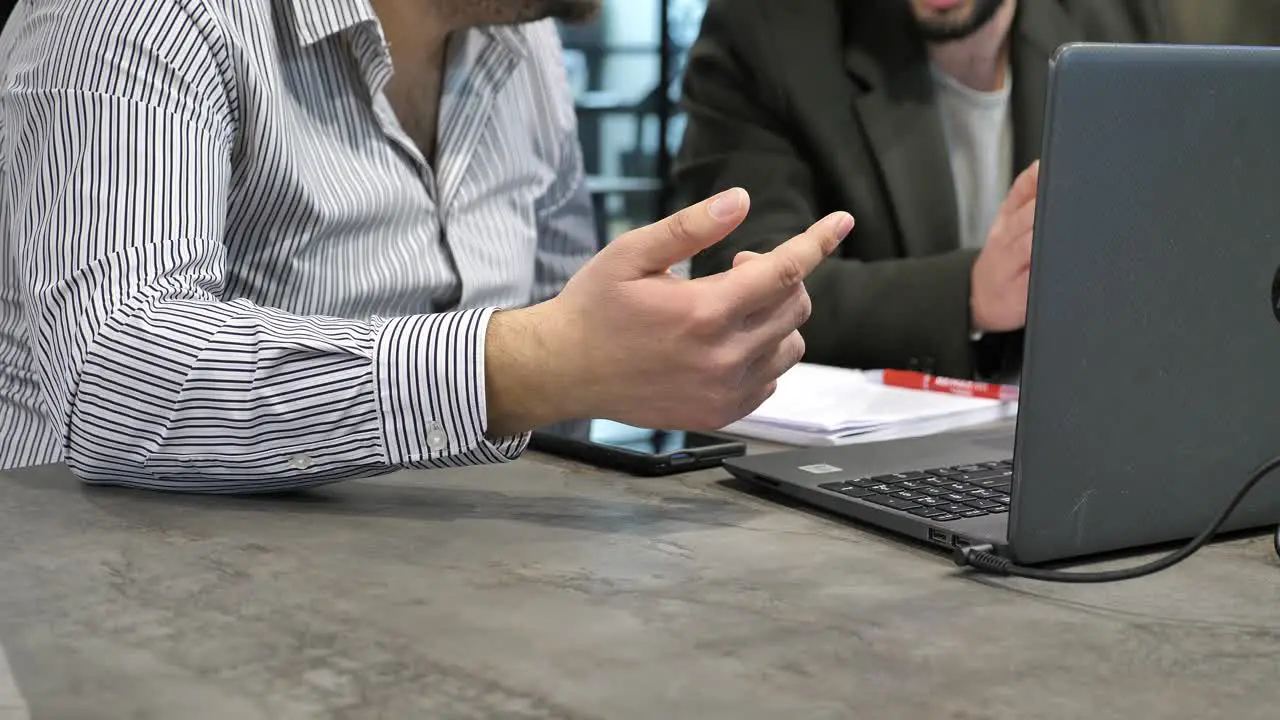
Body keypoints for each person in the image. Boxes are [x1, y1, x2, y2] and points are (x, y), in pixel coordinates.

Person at [0, 0, 852, 491]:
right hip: (116, 608)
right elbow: (115, 377)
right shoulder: (136, 17)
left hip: (437, 580)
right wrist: (527, 363)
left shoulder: (522, 37)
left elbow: (569, 320)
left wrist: (662, 348)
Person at [676, 0, 1167, 381]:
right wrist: (969, 293)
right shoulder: (769, 33)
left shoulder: (1119, 19)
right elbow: (741, 284)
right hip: (852, 457)